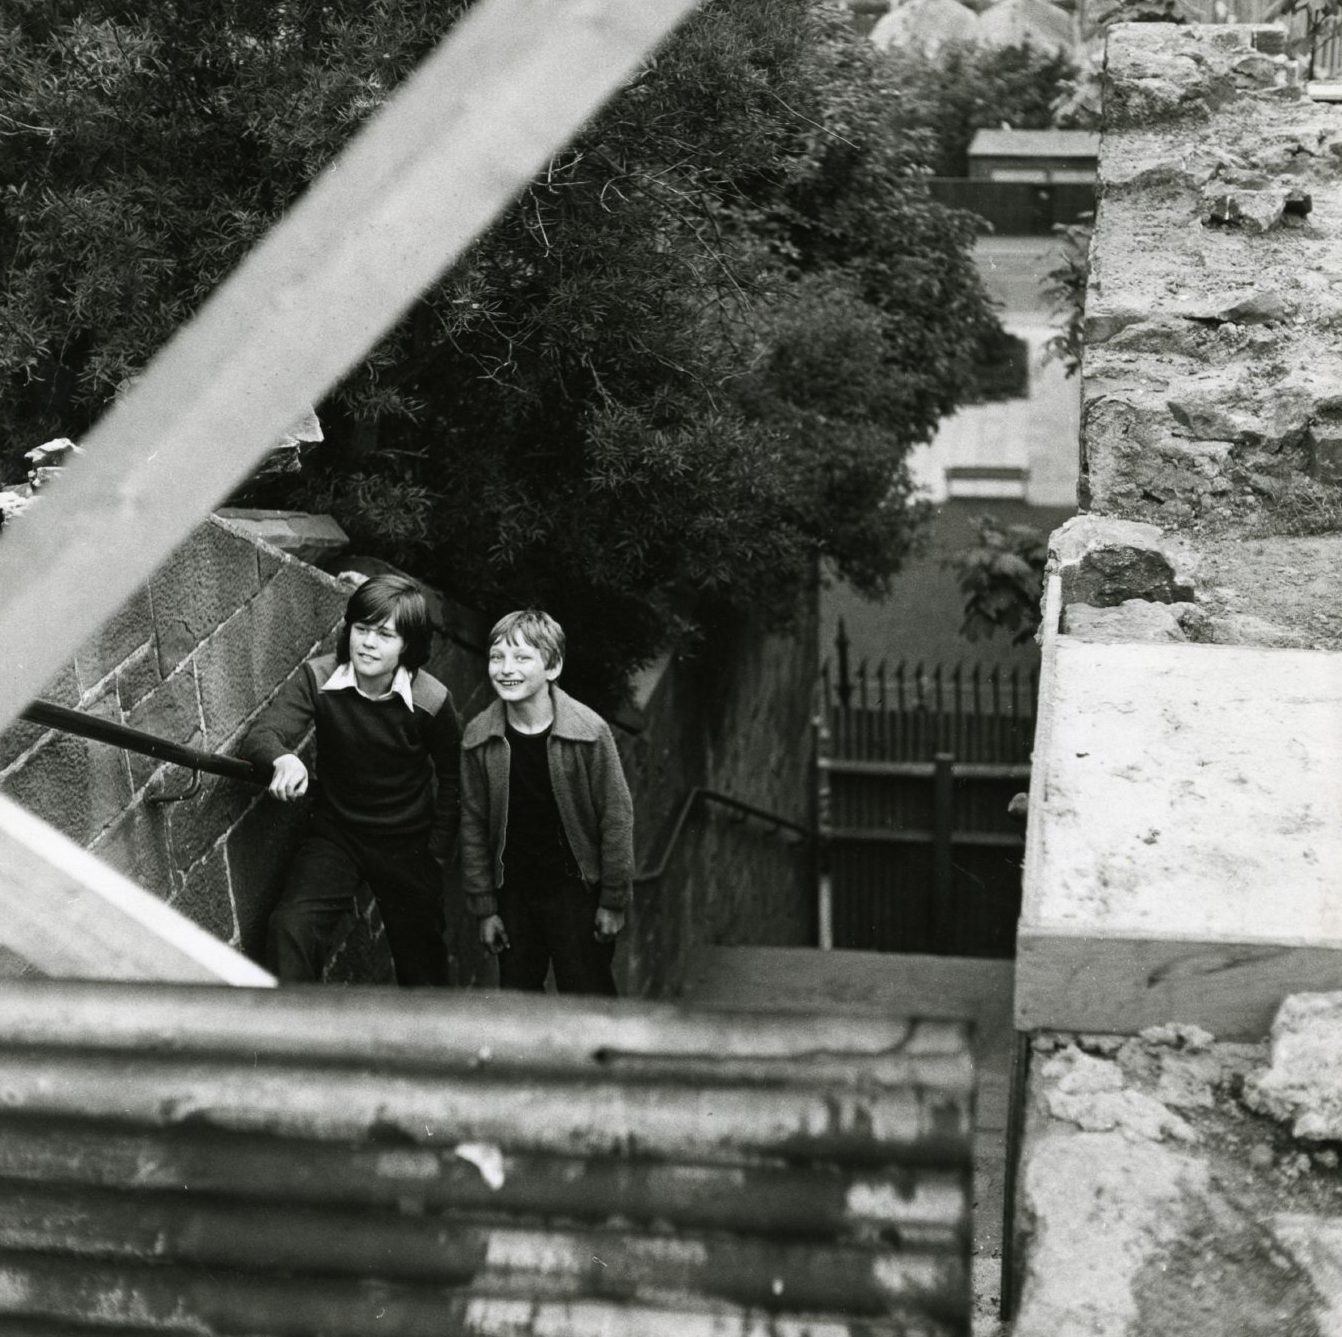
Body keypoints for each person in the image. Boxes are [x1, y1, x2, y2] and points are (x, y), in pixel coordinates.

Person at [240, 573, 461, 985]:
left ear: (408, 645)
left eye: (384, 634)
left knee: (423, 963)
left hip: (407, 843)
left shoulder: (431, 700)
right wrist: (284, 759)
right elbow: (263, 736)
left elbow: (454, 776)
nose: (368, 643)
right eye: (361, 629)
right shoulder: (320, 677)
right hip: (337, 834)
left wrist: (438, 849)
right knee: (290, 927)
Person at [460, 609, 633, 995]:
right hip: (515, 896)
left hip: (576, 892)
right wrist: (485, 908)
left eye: (522, 658)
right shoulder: (478, 738)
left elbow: (616, 819)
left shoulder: (589, 734)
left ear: (552, 666)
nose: (506, 669)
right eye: (496, 657)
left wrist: (614, 900)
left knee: (588, 993)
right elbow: (472, 824)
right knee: (518, 997)